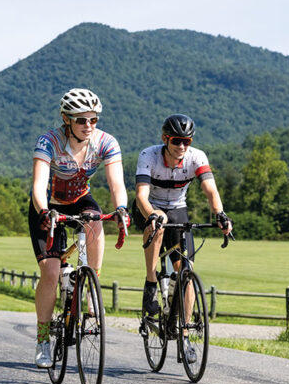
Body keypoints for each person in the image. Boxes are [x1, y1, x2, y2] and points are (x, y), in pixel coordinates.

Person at [29, 88, 129, 368]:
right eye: (81, 120)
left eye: (93, 120)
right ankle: (43, 339)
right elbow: (38, 185)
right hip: (47, 203)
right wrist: (44, 212)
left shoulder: (105, 142)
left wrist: (121, 208)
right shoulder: (49, 140)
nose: (88, 126)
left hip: (79, 200)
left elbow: (116, 184)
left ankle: (91, 287)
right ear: (66, 119)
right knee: (49, 271)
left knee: (96, 220)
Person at [134, 114, 232, 324]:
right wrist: (152, 213)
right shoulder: (148, 156)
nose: (181, 146)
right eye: (176, 140)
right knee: (159, 221)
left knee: (186, 273)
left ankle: (184, 331)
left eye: (186, 141)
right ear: (165, 138)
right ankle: (151, 283)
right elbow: (141, 195)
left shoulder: (197, 157)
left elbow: (211, 191)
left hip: (178, 208)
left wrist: (220, 214)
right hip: (150, 206)